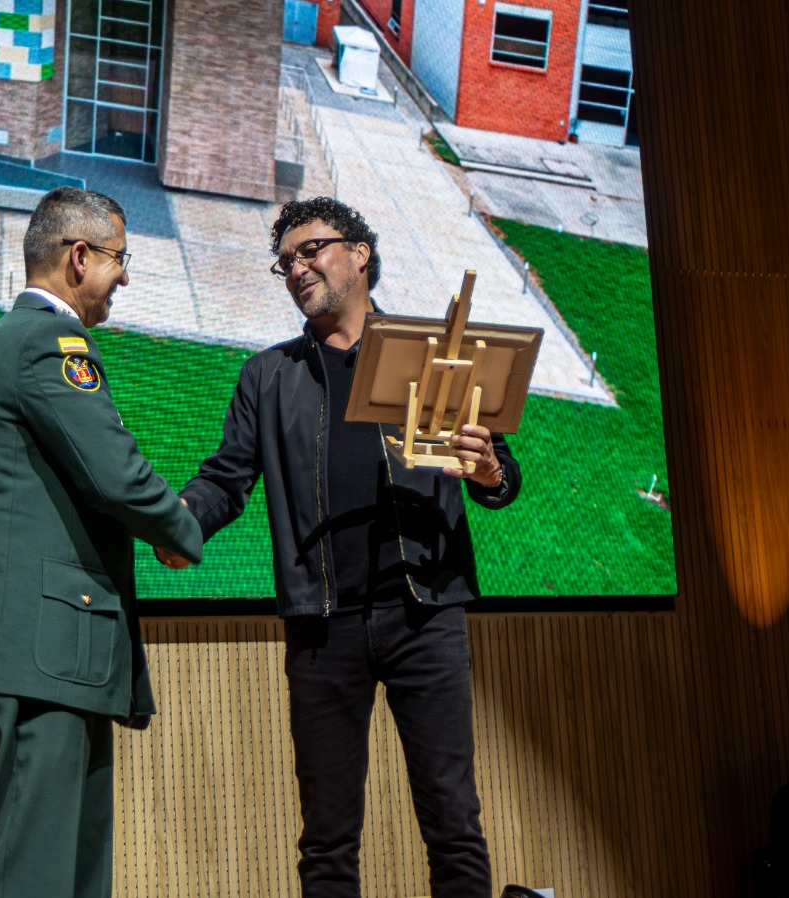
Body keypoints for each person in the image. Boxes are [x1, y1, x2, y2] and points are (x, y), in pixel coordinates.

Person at [164, 196, 522, 898]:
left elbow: (499, 476)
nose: (297, 268)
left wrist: (487, 469)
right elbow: (226, 478)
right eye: (286, 261)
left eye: (312, 250)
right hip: (322, 627)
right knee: (327, 841)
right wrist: (179, 524)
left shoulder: (431, 355)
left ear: (360, 252)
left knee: (454, 822)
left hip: (427, 617)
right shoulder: (268, 377)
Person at [0, 186, 203, 898]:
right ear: (79, 257)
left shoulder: (24, 342)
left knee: (71, 878)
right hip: (41, 656)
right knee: (29, 881)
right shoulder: (46, 344)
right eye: (120, 258)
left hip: (56, 656)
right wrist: (182, 529)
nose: (125, 276)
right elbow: (115, 472)